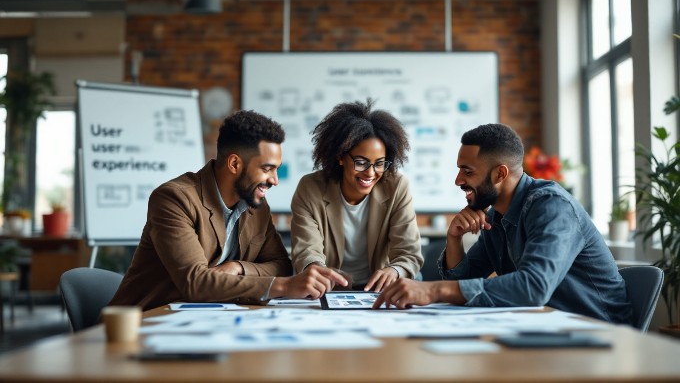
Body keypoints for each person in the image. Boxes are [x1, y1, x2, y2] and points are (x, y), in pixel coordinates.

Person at [373, 123, 633, 324]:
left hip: (597, 332)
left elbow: (533, 288)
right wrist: (454, 239)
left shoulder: (551, 206)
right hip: (545, 327)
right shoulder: (497, 215)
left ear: (500, 174)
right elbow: (465, 281)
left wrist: (434, 290)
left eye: (468, 171)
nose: (458, 180)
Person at [109, 110, 346, 311]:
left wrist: (239, 268)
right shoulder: (174, 199)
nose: (274, 180)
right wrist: (284, 286)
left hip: (205, 320)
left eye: (276, 170)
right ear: (234, 164)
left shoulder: (256, 207)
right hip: (145, 323)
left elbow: (281, 264)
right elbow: (196, 282)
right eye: (267, 169)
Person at [290, 99, 423, 292]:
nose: (370, 173)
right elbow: (306, 250)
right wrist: (316, 270)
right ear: (341, 157)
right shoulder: (311, 188)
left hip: (378, 288)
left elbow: (409, 252)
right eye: (361, 162)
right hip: (330, 288)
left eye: (379, 163)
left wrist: (394, 270)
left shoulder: (396, 187)